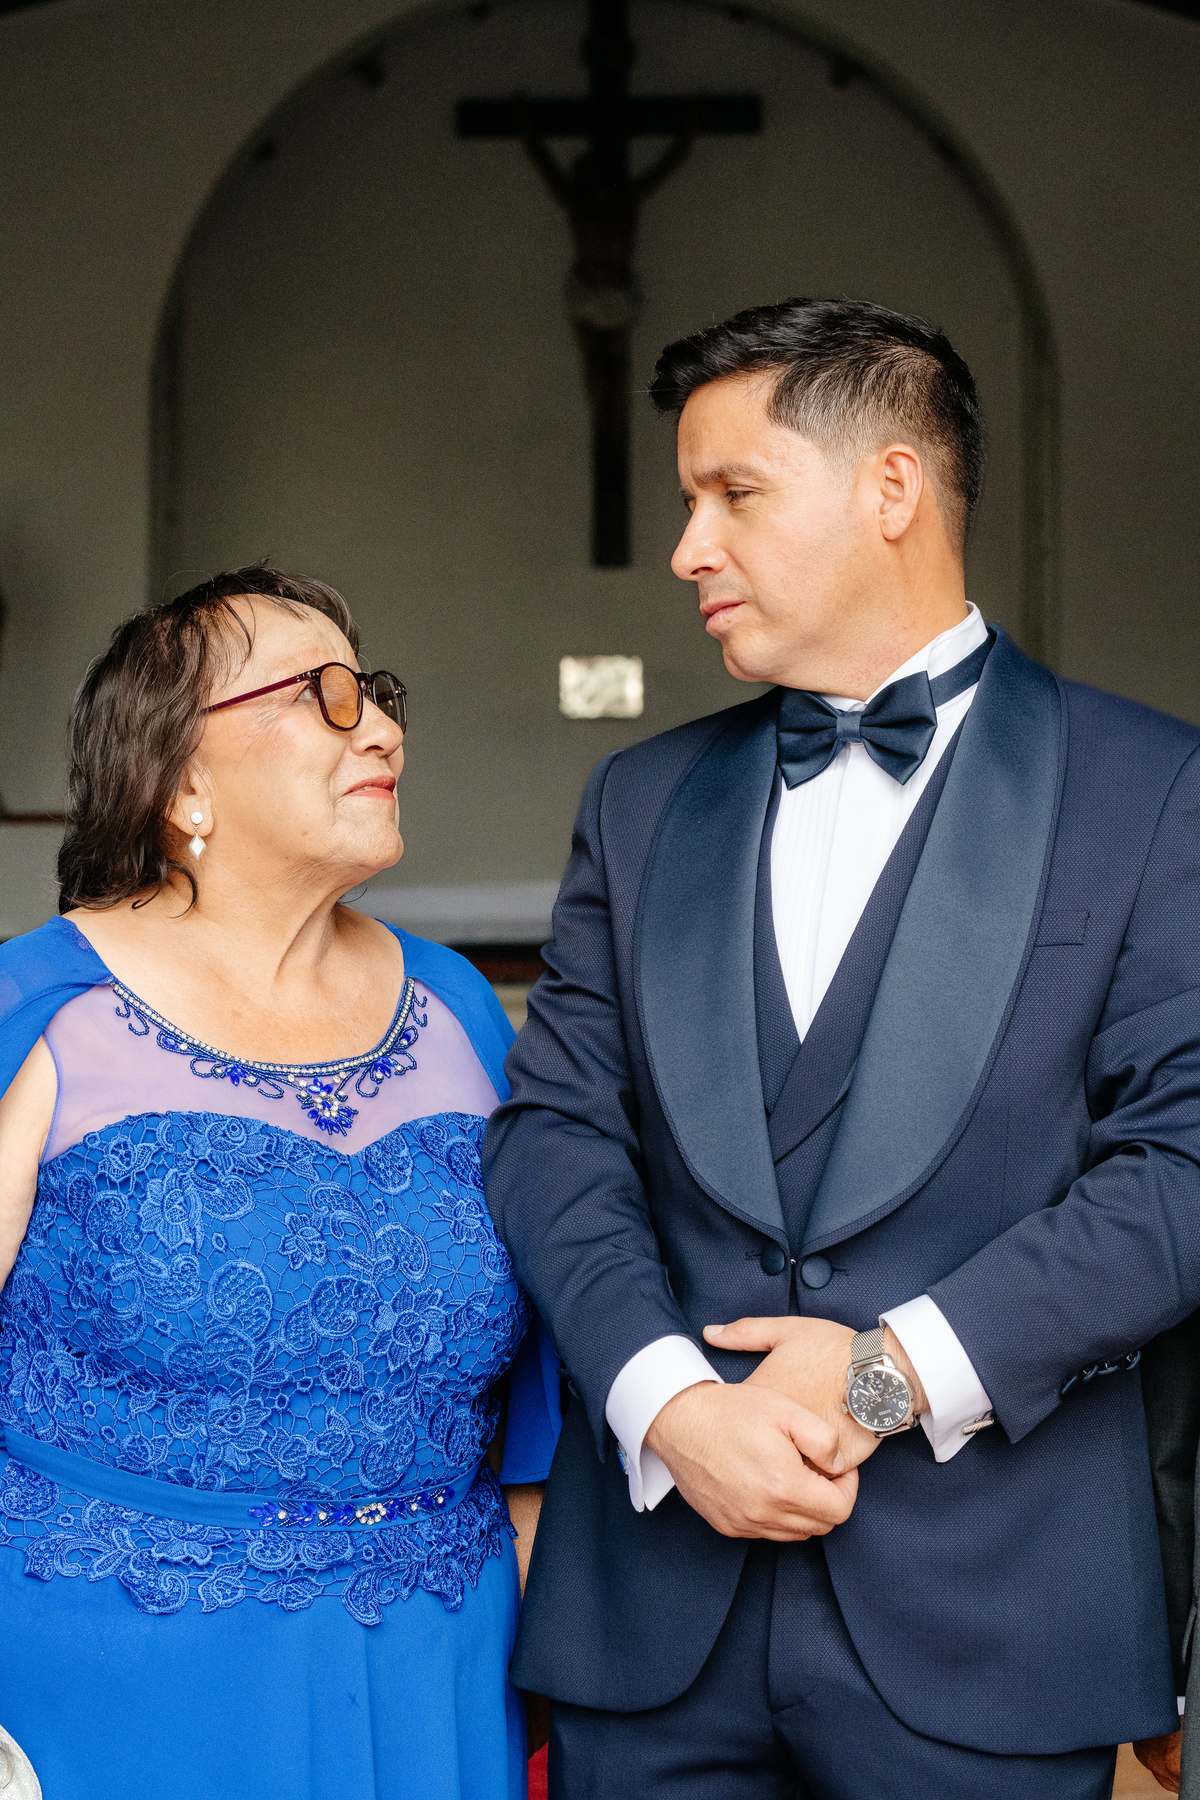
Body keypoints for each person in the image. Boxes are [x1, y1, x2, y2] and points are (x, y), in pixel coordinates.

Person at [484, 298, 1200, 1798]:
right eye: (688, 500)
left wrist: (886, 1378)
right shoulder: (640, 802)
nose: (688, 547)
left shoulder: (1152, 791)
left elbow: (1184, 1168)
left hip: (993, 1625)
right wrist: (673, 1408)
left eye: (733, 494)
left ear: (891, 488)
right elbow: (555, 1138)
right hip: (653, 1636)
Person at [0, 567, 557, 1800]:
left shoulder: (459, 1010)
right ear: (180, 781)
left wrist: (518, 1637)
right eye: (325, 695)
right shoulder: (34, 1012)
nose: (385, 729)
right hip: (113, 1693)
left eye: (379, 693)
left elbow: (535, 1387)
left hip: (442, 1674)